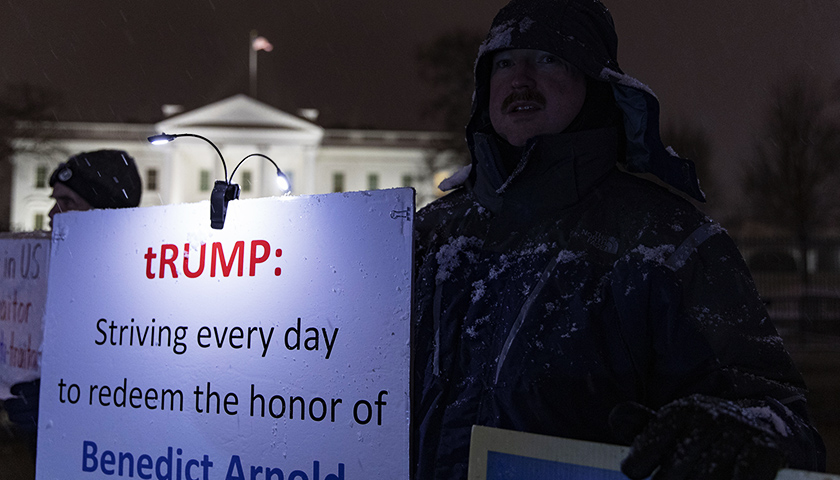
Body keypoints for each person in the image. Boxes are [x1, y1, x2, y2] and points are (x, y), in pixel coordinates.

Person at [411, 1, 826, 479]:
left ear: (595, 81)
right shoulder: (426, 237)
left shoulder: (668, 244)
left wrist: (742, 432)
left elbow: (783, 424)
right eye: (503, 62)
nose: (520, 79)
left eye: (548, 58)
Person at [2, 149, 142, 459]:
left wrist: (63, 406)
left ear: (104, 212)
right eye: (55, 201)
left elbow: (140, 397)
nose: (52, 214)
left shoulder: (140, 296)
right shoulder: (53, 280)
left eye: (67, 202)